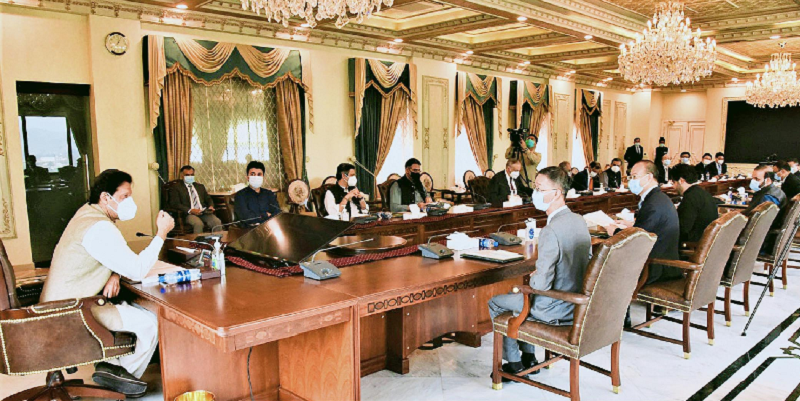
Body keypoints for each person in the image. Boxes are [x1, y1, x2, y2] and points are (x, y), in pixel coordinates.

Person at [40, 169, 175, 397]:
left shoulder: (87, 214)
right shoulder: (99, 227)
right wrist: (161, 234)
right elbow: (137, 269)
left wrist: (114, 273)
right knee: (151, 322)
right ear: (105, 197)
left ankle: (113, 370)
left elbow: (108, 256)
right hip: (73, 310)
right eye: (124, 197)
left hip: (62, 304)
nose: (129, 203)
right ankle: (117, 378)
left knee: (137, 310)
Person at [488, 167, 591, 381]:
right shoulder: (579, 221)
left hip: (555, 307)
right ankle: (530, 358)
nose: (534, 193)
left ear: (556, 193)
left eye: (538, 188)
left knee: (497, 301)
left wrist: (535, 277)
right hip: (577, 304)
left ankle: (513, 362)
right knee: (517, 296)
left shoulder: (551, 230)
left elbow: (541, 286)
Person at [605, 161, 681, 285]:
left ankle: (616, 303)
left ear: (649, 177)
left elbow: (638, 241)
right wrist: (631, 226)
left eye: (634, 177)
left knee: (604, 262)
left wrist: (615, 231)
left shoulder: (653, 204)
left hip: (655, 267)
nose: (631, 181)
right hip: (660, 259)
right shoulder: (659, 198)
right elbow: (649, 228)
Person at [167, 165, 222, 234]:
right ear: (182, 175)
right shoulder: (176, 188)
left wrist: (211, 206)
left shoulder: (200, 186)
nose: (190, 177)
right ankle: (197, 244)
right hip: (189, 214)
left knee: (217, 221)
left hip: (203, 212)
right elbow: (175, 203)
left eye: (192, 175)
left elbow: (208, 198)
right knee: (198, 224)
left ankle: (217, 242)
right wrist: (190, 210)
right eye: (187, 175)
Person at [672, 164, 719, 244]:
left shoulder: (690, 197)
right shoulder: (702, 193)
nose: (673, 187)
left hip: (694, 246)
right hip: (707, 241)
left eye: (674, 182)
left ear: (681, 181)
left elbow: (683, 229)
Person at [234, 161, 282, 226]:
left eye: (259, 174)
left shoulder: (269, 194)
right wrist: (265, 215)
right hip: (248, 232)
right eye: (252, 174)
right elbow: (246, 218)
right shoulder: (240, 195)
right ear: (248, 178)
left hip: (269, 229)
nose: (256, 177)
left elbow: (277, 213)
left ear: (263, 178)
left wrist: (258, 217)